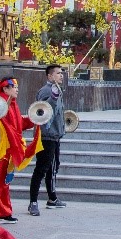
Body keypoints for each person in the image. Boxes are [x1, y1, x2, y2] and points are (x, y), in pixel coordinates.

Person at [0, 76, 39, 224]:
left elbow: (18, 125)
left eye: (17, 87)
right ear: (5, 89)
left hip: (9, 150)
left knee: (4, 182)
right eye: (14, 87)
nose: (17, 89)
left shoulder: (12, 104)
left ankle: (4, 212)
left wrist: (34, 119)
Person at [29, 64, 68, 216]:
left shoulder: (56, 89)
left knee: (53, 167)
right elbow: (42, 111)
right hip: (46, 136)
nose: (61, 75)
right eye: (58, 73)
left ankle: (52, 198)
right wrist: (53, 97)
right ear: (49, 76)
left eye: (61, 73)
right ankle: (33, 202)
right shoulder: (46, 91)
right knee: (41, 168)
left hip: (54, 136)